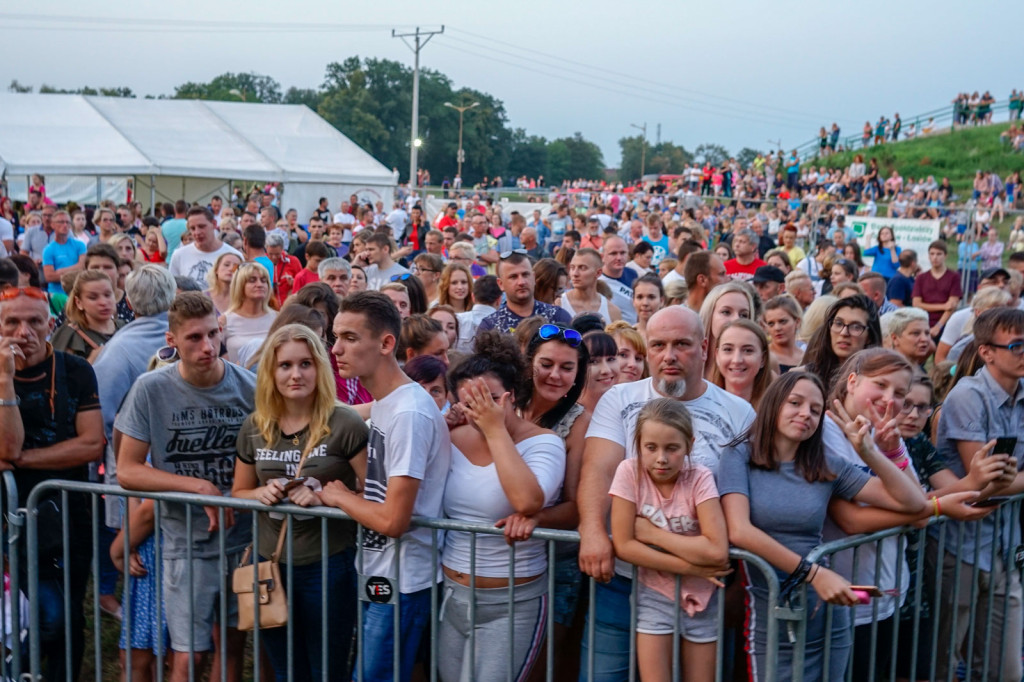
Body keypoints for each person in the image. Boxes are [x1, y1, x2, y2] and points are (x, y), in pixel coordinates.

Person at [576, 306, 754, 680]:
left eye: (681, 344)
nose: (668, 355)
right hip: (623, 578)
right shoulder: (619, 398)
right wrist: (591, 530)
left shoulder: (739, 413)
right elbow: (598, 468)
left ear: (704, 348)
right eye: (658, 345)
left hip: (705, 587)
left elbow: (745, 500)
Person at [718, 370, 924, 682]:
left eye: (815, 410)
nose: (806, 414)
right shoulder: (739, 455)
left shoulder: (825, 464)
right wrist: (814, 573)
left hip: (826, 611)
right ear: (774, 403)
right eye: (795, 403)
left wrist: (869, 451)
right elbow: (740, 531)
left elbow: (913, 503)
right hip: (772, 610)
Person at [116, 292, 255, 682]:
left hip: (244, 541)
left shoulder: (250, 386)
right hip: (185, 544)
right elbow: (127, 470)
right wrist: (198, 486)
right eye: (194, 337)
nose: (207, 346)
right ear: (172, 339)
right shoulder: (151, 388)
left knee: (231, 647)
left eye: (212, 334)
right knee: (189, 654)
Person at [321, 291, 452, 682]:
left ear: (386, 343)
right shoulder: (386, 402)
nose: (336, 349)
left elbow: (395, 520)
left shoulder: (409, 412)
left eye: (349, 338)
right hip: (381, 570)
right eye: (335, 337)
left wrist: (340, 497)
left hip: (403, 579)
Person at [232, 324, 368, 681]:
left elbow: (373, 496)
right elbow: (239, 492)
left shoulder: (345, 422)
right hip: (269, 565)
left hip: (328, 566)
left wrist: (325, 498)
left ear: (319, 367)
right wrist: (260, 494)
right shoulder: (254, 426)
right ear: (270, 371)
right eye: (285, 365)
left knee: (327, 670)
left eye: (305, 364)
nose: (296, 374)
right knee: (286, 670)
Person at [438, 331, 565, 682]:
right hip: (453, 595)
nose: (480, 410)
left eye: (490, 399)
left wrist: (495, 430)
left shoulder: (544, 443)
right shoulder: (454, 436)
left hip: (512, 602)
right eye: (470, 403)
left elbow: (527, 500)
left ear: (511, 396)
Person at [0, 285, 105, 682]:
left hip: (64, 519)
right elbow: (6, 444)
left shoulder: (75, 370)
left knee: (62, 616)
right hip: (7, 519)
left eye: (34, 321)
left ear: (51, 324)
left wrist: (21, 460)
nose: (23, 332)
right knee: (18, 619)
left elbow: (91, 443)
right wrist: (5, 380)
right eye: (12, 322)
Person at [931, 307, 1024, 682]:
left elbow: (1002, 480)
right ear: (986, 352)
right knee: (943, 665)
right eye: (1016, 346)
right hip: (959, 548)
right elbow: (983, 482)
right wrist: (1002, 481)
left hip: (1004, 546)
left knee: (1006, 671)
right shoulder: (968, 395)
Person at [609, 398, 728, 682]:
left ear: (689, 445)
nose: (661, 458)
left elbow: (717, 550)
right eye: (651, 447)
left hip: (704, 594)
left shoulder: (699, 478)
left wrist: (653, 535)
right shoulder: (629, 472)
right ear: (638, 445)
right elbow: (624, 545)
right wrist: (691, 567)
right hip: (654, 593)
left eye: (672, 448)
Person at [799, 295, 882, 389]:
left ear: (869, 337)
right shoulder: (802, 377)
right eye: (838, 323)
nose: (844, 333)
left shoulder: (879, 382)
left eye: (856, 327)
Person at [478, 251, 571, 333]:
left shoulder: (557, 317)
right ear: (500, 284)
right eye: (513, 277)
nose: (521, 282)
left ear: (533, 277)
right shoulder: (491, 326)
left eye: (525, 275)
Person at [50, 269, 125, 362]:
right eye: (93, 298)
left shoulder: (125, 327)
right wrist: (91, 361)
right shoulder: (69, 335)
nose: (103, 302)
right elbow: (57, 369)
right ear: (78, 302)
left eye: (107, 295)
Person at [220, 262, 277, 364]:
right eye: (252, 280)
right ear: (240, 285)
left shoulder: (278, 318)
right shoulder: (224, 321)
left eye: (263, 280)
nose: (259, 285)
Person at [168, 207, 242, 284]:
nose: (197, 232)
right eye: (192, 228)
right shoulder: (179, 255)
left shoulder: (234, 256)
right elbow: (172, 286)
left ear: (214, 224)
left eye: (201, 226)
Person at [698, 280, 754, 380]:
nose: (736, 319)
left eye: (743, 315)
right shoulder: (689, 362)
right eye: (726, 312)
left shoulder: (758, 368)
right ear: (709, 314)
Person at [711, 318, 771, 409]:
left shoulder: (777, 409)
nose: (737, 360)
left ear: (763, 359)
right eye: (728, 349)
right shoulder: (700, 408)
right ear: (717, 356)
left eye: (748, 350)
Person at [913, 240, 962, 338]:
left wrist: (938, 326)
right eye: (932, 254)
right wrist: (943, 306)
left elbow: (952, 305)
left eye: (939, 254)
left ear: (945, 256)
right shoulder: (921, 277)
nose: (935, 257)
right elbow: (916, 304)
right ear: (928, 256)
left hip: (946, 323)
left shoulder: (954, 276)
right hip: (923, 321)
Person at [561, 249, 622, 325]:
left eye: (582, 268)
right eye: (572, 267)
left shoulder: (612, 311)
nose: (575, 273)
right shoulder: (559, 303)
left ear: (598, 273)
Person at [42, 210, 86, 295]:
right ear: (53, 225)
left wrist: (60, 271)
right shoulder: (48, 249)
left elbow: (83, 267)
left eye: (67, 222)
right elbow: (49, 277)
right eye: (61, 222)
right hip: (56, 293)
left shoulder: (80, 245)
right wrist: (75, 270)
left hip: (76, 291)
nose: (65, 225)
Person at [578, 331, 620, 413]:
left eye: (611, 359)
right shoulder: (565, 415)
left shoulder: (632, 408)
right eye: (593, 362)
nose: (606, 370)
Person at [599, 236, 638, 324]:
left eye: (623, 253)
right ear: (603, 256)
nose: (619, 258)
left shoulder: (632, 274)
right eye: (613, 253)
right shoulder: (597, 280)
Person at [763, 295, 804, 373]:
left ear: (797, 322)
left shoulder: (807, 358)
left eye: (783, 321)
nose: (777, 328)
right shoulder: (763, 358)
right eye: (771, 324)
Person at [631, 273, 665, 341]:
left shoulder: (669, 334)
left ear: (661, 301)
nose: (645, 303)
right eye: (640, 297)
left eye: (651, 297)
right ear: (633, 301)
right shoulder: (627, 335)